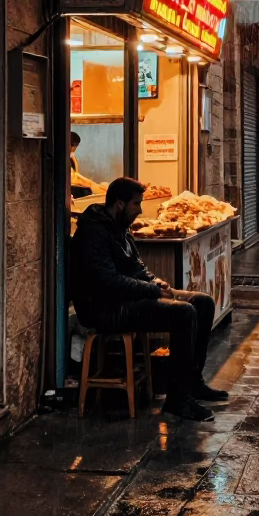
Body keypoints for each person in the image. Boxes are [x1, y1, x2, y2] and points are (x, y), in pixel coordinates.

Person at [70, 177, 228, 422]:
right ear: (120, 204)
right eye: (136, 204)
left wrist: (154, 282)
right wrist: (151, 290)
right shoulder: (94, 233)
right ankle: (178, 400)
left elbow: (136, 267)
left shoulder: (119, 229)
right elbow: (108, 282)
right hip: (103, 308)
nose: (140, 211)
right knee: (183, 313)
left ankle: (192, 383)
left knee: (203, 302)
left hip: (125, 299)